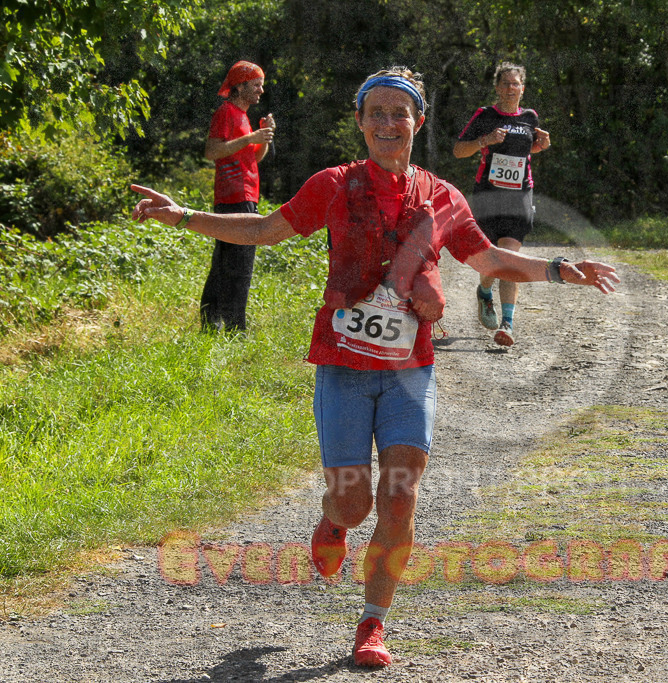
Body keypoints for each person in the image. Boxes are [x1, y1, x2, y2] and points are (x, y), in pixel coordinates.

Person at [131, 66, 618, 668]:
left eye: (400, 113)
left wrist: (560, 270)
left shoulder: (442, 196)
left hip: (410, 370)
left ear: (418, 122)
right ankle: (333, 521)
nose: (389, 123)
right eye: (377, 113)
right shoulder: (335, 185)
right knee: (354, 503)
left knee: (400, 498)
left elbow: (488, 258)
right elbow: (262, 228)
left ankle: (372, 623)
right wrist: (181, 215)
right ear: (360, 122)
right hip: (343, 367)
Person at [454, 62, 550, 347]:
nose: (510, 88)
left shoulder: (530, 117)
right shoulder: (485, 115)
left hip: (519, 196)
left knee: (509, 258)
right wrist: (485, 140)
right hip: (488, 195)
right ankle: (485, 291)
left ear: (523, 88)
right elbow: (459, 151)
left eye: (515, 83)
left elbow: (525, 150)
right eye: (505, 83)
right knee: (492, 259)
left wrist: (541, 145)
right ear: (497, 87)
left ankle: (507, 323)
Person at [200, 60, 276, 332]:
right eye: (256, 85)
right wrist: (250, 137)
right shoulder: (226, 112)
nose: (261, 91)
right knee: (239, 264)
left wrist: (263, 138)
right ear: (240, 86)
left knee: (226, 261)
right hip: (233, 196)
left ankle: (212, 323)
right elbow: (212, 151)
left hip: (245, 195)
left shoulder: (242, 116)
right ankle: (235, 328)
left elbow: (254, 158)